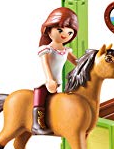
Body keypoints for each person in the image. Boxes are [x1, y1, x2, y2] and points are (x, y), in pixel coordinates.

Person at [32, 7, 79, 135]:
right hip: (44, 81)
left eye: (70, 32)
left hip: (57, 82)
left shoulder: (65, 50)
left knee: (54, 102)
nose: (65, 34)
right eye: (60, 30)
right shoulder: (46, 49)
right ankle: (36, 123)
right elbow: (45, 64)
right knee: (41, 97)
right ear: (48, 30)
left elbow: (76, 62)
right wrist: (49, 79)